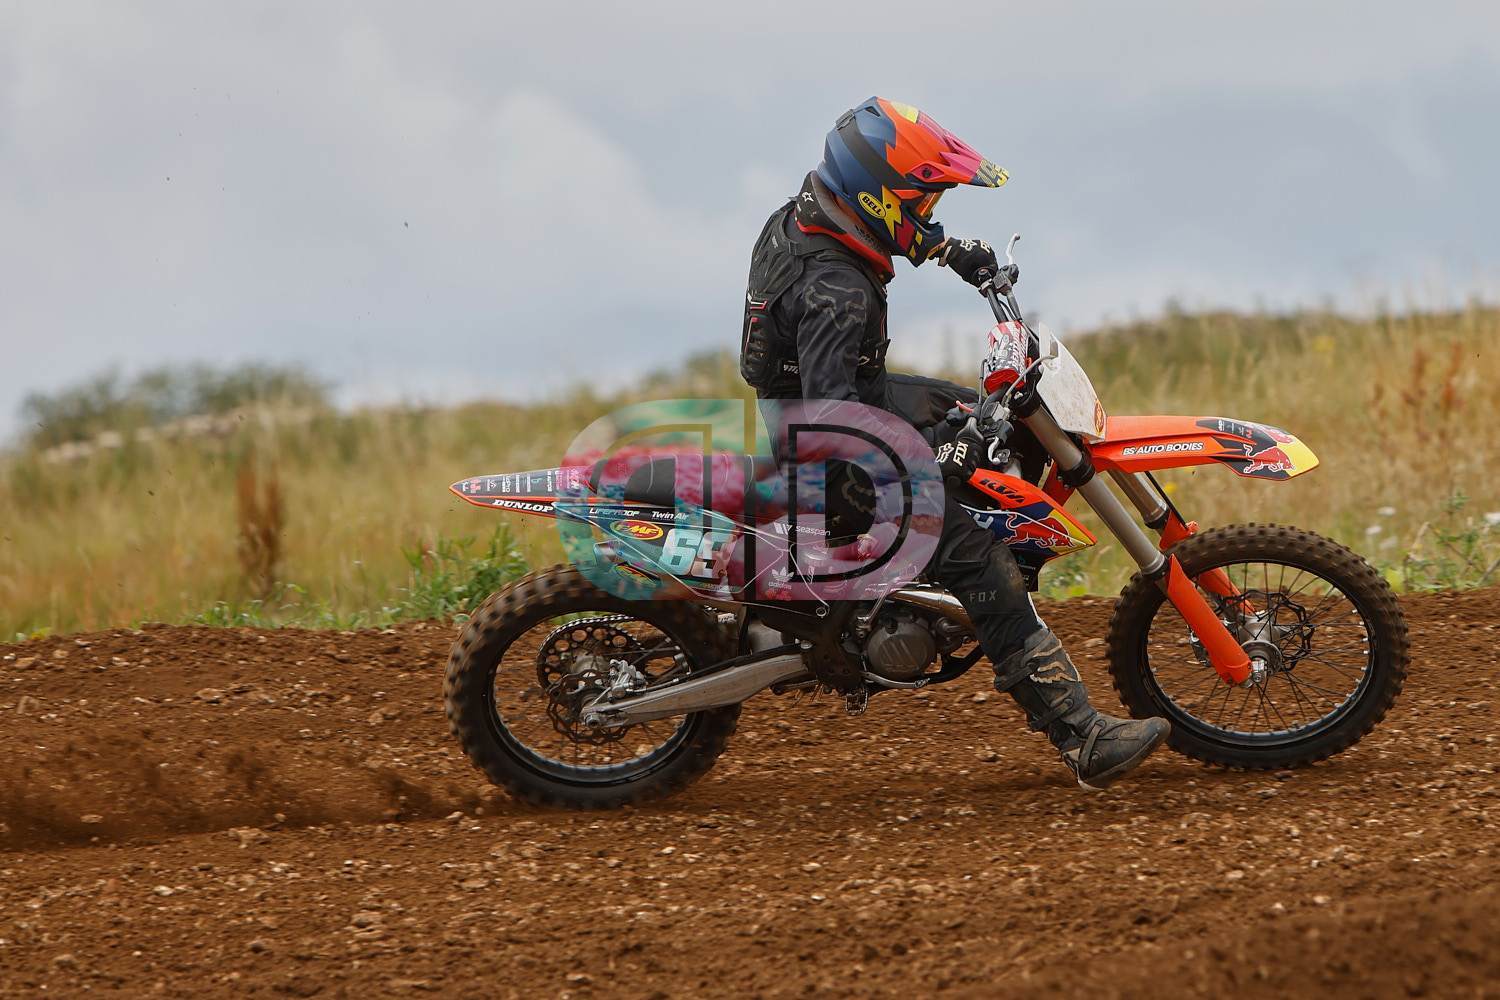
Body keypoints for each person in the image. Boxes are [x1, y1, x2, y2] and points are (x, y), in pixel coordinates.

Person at [739, 97, 1170, 790]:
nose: (930, 211)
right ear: (877, 198)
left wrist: (945, 250)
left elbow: (874, 258)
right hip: (827, 449)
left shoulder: (811, 213)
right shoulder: (836, 292)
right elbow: (833, 430)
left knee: (973, 409)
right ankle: (1081, 737)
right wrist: (937, 456)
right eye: (923, 202)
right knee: (981, 559)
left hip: (837, 397)